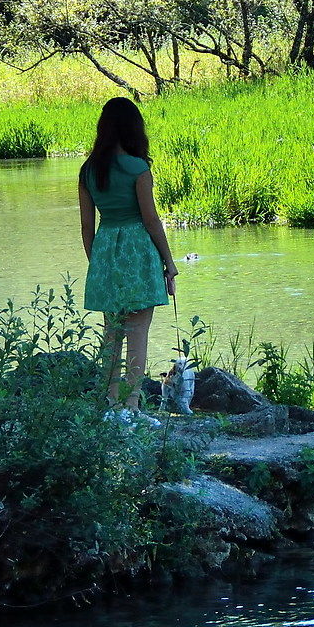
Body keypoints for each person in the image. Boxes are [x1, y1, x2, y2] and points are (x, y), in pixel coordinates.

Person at [78, 96, 178, 407]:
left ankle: (110, 401)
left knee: (112, 334)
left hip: (106, 247)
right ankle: (131, 405)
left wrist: (97, 264)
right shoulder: (138, 168)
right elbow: (150, 219)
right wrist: (169, 263)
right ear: (134, 129)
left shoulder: (88, 170)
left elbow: (85, 227)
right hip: (137, 250)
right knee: (137, 333)